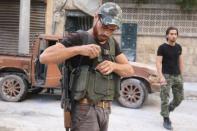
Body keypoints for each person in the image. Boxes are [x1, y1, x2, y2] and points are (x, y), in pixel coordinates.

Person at [40, 2, 134, 131]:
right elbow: (44, 57)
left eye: (112, 29)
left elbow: (129, 70)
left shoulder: (112, 43)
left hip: (105, 109)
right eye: (104, 26)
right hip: (84, 109)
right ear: (96, 17)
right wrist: (79, 49)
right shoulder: (79, 37)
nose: (106, 32)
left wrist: (114, 66)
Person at [156, 27, 184, 130]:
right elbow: (158, 62)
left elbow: (180, 61)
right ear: (167, 35)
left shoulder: (179, 47)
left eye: (175, 34)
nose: (173, 36)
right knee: (164, 98)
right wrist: (161, 76)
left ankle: (168, 109)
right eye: (171, 34)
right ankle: (166, 119)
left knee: (179, 98)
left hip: (177, 76)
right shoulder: (162, 48)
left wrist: (181, 75)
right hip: (166, 76)